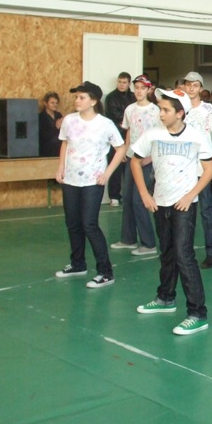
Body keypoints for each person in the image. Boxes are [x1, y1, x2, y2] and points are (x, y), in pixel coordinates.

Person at [131, 88, 212, 335]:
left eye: (166, 110)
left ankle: (197, 313)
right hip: (160, 202)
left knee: (183, 254)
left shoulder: (197, 136)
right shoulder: (153, 134)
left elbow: (209, 170)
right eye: (160, 109)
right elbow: (135, 161)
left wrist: (190, 195)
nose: (161, 114)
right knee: (166, 252)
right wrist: (145, 194)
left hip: (184, 205)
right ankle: (165, 297)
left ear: (180, 113)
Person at [54, 81, 127, 288]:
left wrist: (107, 173)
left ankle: (105, 271)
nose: (77, 100)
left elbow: (121, 149)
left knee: (89, 224)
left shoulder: (105, 124)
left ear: (93, 101)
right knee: (72, 223)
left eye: (82, 97)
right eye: (76, 97)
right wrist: (60, 167)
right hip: (70, 179)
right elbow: (65, 143)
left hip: (92, 181)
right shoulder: (69, 120)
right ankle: (78, 264)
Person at [110, 75, 161, 256]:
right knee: (128, 198)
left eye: (142, 88)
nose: (139, 91)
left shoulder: (156, 111)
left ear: (149, 90)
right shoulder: (130, 109)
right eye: (137, 87)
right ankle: (128, 239)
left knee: (139, 200)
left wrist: (151, 157)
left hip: (146, 160)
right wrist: (125, 150)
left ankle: (148, 243)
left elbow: (160, 135)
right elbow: (129, 130)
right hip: (132, 158)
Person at [184, 72, 212, 269]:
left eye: (195, 85)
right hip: (183, 169)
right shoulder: (179, 108)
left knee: (207, 210)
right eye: (188, 85)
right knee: (185, 211)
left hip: (202, 169)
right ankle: (184, 250)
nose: (191, 88)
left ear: (200, 88)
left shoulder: (208, 109)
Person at [104, 72, 135, 206]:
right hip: (116, 135)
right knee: (115, 166)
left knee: (130, 166)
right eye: (120, 82)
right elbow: (114, 115)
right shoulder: (111, 97)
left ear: (129, 83)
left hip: (132, 135)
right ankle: (114, 196)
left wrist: (130, 123)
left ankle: (129, 195)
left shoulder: (133, 96)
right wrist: (128, 121)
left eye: (124, 82)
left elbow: (136, 114)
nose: (121, 85)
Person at [38, 91, 63, 157]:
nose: (55, 105)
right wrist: (56, 127)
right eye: (52, 103)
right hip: (46, 150)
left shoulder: (58, 115)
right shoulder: (41, 117)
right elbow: (43, 135)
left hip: (59, 148)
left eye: (56, 103)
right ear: (45, 103)